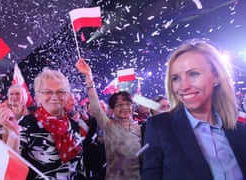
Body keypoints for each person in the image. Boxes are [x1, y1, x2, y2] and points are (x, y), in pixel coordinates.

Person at [141, 40, 246, 179]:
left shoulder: (240, 131)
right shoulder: (159, 128)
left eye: (193, 74)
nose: (183, 86)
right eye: (176, 78)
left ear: (216, 78)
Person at [0, 69, 86, 179]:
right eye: (47, 92)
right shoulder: (27, 124)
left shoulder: (73, 125)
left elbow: (79, 168)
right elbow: (10, 167)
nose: (54, 96)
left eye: (60, 91)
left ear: (66, 95)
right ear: (38, 96)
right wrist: (13, 132)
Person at [76, 58, 141, 180]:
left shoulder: (140, 129)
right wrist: (88, 76)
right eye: (119, 105)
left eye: (127, 104)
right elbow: (95, 105)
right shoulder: (109, 126)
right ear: (111, 110)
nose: (125, 108)